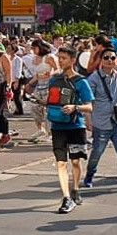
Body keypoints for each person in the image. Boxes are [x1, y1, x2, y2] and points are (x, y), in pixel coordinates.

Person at [46, 46, 94, 214]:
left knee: (75, 161)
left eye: (64, 58)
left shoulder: (81, 82)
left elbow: (89, 106)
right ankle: (66, 197)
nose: (60, 60)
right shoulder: (54, 80)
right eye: (59, 57)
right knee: (61, 163)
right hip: (57, 126)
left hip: (75, 126)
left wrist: (76, 107)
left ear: (73, 60)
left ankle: (75, 190)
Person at [83, 48, 117, 195]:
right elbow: (88, 100)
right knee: (97, 153)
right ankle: (89, 175)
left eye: (113, 58)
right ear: (101, 60)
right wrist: (88, 120)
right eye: (106, 58)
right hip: (101, 122)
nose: (110, 60)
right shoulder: (93, 78)